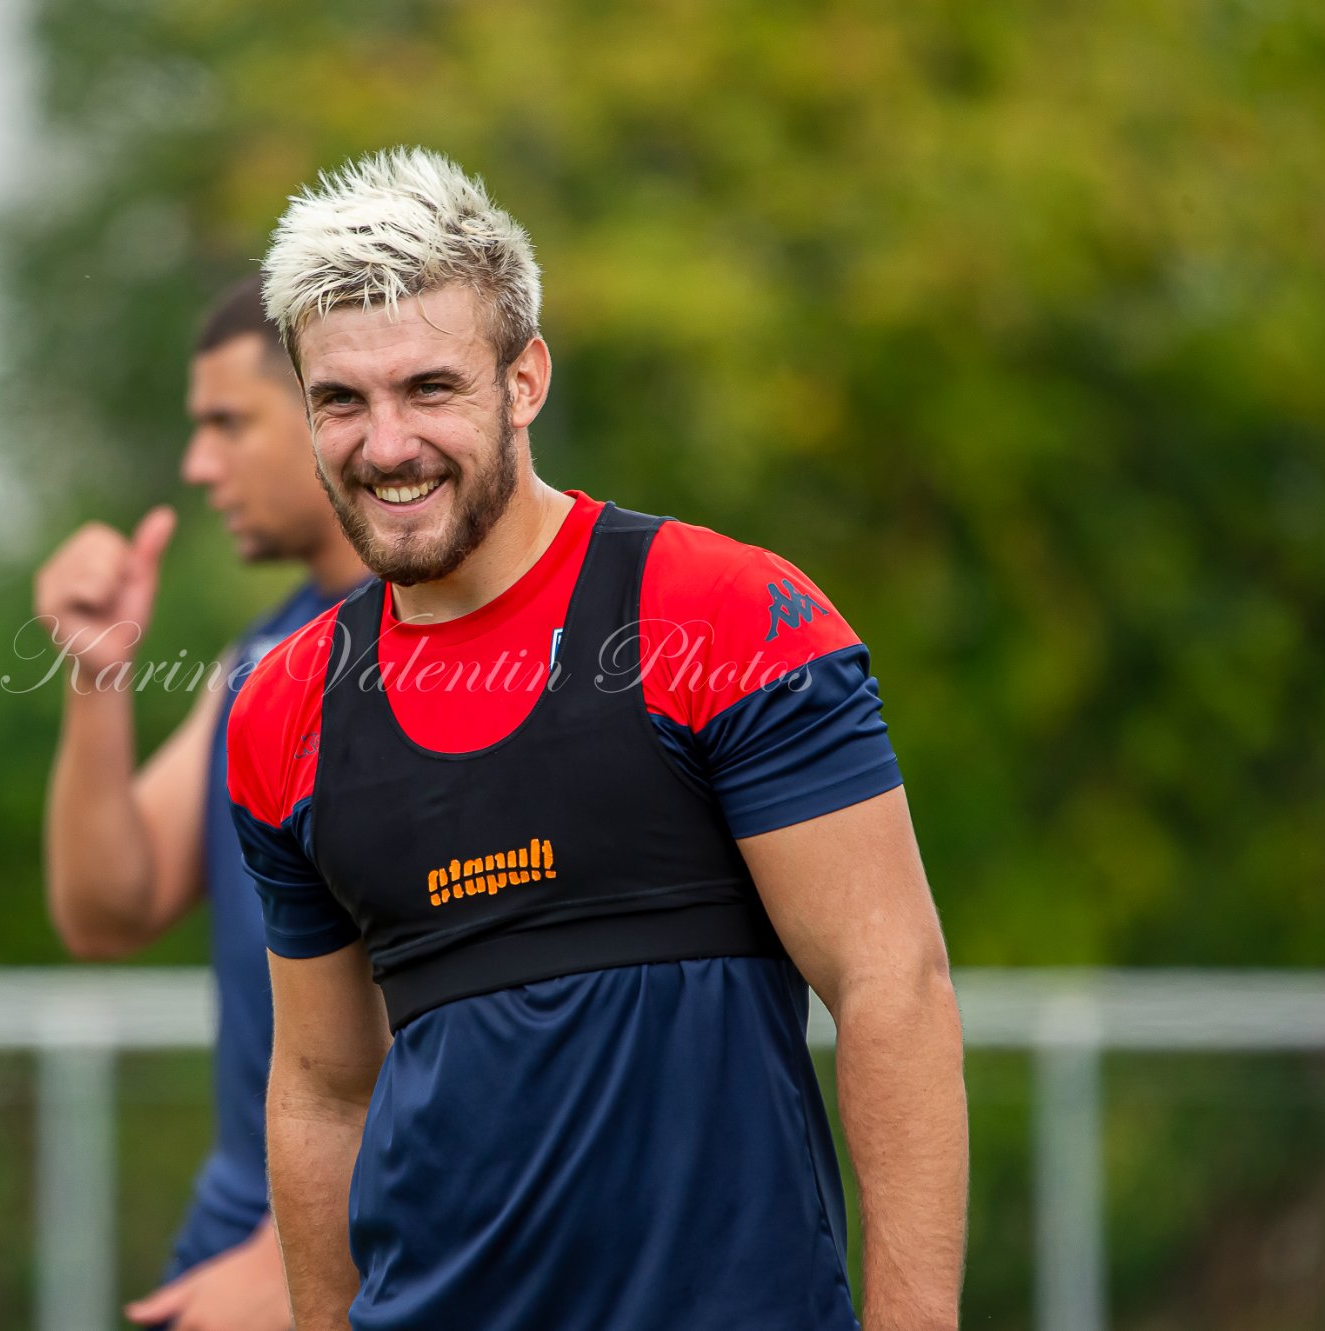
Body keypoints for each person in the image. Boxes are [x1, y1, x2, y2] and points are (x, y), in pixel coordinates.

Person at [226, 148, 969, 1330]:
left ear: (523, 380)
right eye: (340, 401)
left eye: (429, 388)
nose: (384, 445)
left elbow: (891, 986)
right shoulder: (283, 710)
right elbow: (319, 1089)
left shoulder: (722, 613)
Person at [35, 276, 368, 1331]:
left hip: (363, 1234)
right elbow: (106, 909)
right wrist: (96, 677)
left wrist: (301, 1252)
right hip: (252, 1215)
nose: (196, 464)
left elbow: (474, 999)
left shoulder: (448, 655)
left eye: (228, 422)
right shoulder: (266, 649)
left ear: (328, 405)